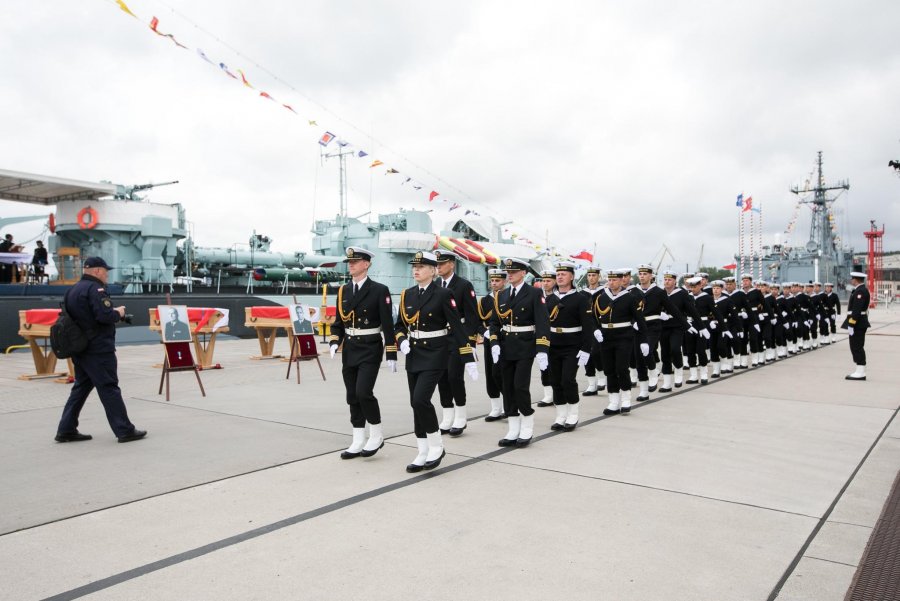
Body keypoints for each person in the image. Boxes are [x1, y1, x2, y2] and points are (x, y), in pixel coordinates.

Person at [396, 251, 477, 472]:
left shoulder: (443, 294)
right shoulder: (407, 295)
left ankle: (436, 446)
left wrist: (468, 356)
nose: (416, 270)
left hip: (435, 353)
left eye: (421, 267)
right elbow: (400, 325)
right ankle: (422, 450)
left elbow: (458, 327)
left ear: (432, 271)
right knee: (415, 402)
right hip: (413, 354)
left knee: (422, 399)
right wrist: (401, 339)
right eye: (414, 267)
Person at [55, 257, 146, 443]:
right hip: (98, 349)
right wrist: (118, 313)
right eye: (106, 271)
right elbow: (104, 316)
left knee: (80, 388)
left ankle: (66, 429)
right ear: (97, 271)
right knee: (109, 387)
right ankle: (124, 429)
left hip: (80, 348)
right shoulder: (95, 290)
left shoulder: (72, 290)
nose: (107, 274)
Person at [328, 246, 398, 460]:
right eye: (349, 262)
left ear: (366, 264)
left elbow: (388, 324)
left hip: (370, 347)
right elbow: (339, 322)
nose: (350, 265)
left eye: (355, 262)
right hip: (350, 348)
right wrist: (334, 340)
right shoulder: (343, 291)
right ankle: (358, 438)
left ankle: (376, 434)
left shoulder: (379, 290)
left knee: (363, 392)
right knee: (352, 395)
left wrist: (391, 352)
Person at [488, 258, 550, 447]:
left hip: (526, 345)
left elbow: (542, 322)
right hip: (506, 346)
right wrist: (494, 342)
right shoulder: (501, 295)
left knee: (520, 386)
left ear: (523, 273)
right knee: (507, 386)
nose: (510, 274)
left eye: (514, 271)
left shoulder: (534, 293)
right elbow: (495, 323)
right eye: (509, 271)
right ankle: (513, 427)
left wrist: (542, 349)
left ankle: (527, 424)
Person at [434, 250, 479, 436]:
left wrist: (470, 343)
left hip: (457, 337)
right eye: (437, 264)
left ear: (452, 264)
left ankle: (460, 415)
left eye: (442, 263)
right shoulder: (435, 284)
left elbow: (471, 316)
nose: (439, 267)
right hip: (439, 338)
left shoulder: (463, 285)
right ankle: (447, 415)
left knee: (454, 377)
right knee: (441, 378)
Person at [593, 268, 648, 415]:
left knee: (621, 368)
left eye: (615, 280)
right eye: (609, 280)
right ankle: (613, 401)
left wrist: (644, 340)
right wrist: (596, 329)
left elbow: (640, 319)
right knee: (609, 369)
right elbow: (593, 317)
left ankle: (626, 399)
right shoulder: (601, 297)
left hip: (623, 336)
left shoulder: (629, 297)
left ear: (622, 280)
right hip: (606, 337)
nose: (611, 283)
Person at [545, 262, 593, 431]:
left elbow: (588, 325)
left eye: (563, 274)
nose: (559, 277)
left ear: (572, 277)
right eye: (557, 274)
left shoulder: (580, 299)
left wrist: (587, 348)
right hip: (553, 345)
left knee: (567, 379)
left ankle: (573, 413)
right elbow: (543, 324)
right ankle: (561, 415)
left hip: (573, 345)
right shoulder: (550, 299)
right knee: (555, 381)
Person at [478, 268, 507, 422]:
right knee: (490, 372)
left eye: (498, 281)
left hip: (505, 339)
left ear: (505, 281)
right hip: (490, 340)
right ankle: (495, 407)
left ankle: (508, 405)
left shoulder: (508, 297)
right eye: (492, 281)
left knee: (502, 373)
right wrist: (484, 332)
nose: (494, 283)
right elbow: (477, 320)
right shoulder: (485, 301)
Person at [579, 266, 606, 395]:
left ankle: (601, 376)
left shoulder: (604, 292)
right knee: (586, 355)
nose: (591, 278)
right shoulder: (582, 294)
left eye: (594, 275)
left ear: (598, 277)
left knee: (596, 353)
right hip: (586, 328)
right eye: (589, 275)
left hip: (600, 328)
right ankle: (591, 384)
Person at [842, 271, 870, 381]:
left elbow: (857, 310)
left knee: (857, 346)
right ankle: (859, 370)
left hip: (857, 323)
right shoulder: (859, 290)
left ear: (856, 279)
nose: (851, 280)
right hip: (857, 323)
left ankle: (861, 372)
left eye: (852, 278)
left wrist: (852, 324)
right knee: (855, 346)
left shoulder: (860, 291)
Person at [536, 269, 558, 407]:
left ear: (554, 281)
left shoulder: (558, 298)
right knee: (543, 366)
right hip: (541, 337)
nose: (545, 283)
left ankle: (557, 394)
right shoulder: (538, 297)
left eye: (548, 280)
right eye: (543, 280)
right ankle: (548, 395)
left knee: (555, 366)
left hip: (555, 336)